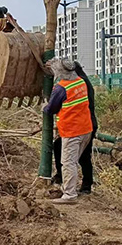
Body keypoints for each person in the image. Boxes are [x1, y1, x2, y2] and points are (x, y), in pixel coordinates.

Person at [43, 58, 93, 204]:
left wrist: (45, 105)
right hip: (86, 129)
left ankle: (70, 194)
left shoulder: (61, 88)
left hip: (72, 131)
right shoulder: (80, 81)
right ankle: (73, 187)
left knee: (68, 163)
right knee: (74, 161)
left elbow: (51, 109)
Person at [53, 61, 96, 194]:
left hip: (78, 127)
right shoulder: (82, 82)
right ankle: (67, 179)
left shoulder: (75, 84)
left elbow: (55, 106)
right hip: (87, 125)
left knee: (73, 160)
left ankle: (76, 188)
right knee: (61, 148)